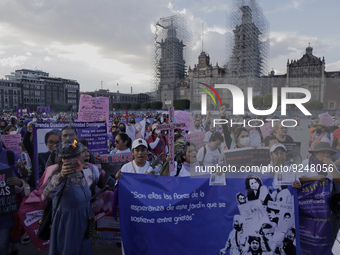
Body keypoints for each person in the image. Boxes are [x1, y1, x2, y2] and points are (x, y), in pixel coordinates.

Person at [42, 140, 98, 255]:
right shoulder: (61, 178)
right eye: (84, 152)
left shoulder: (81, 173)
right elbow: (45, 196)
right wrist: (61, 176)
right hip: (68, 230)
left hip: (83, 229)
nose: (88, 154)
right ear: (72, 159)